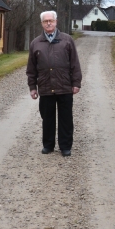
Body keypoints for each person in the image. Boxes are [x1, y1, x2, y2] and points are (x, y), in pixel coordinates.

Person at [27, 10, 82, 156]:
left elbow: (75, 64)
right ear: (42, 24)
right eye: (46, 21)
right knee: (47, 118)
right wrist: (32, 87)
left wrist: (76, 83)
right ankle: (48, 145)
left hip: (65, 87)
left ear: (56, 22)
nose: (49, 23)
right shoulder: (35, 43)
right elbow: (31, 68)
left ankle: (65, 147)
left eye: (51, 20)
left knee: (66, 118)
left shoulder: (67, 40)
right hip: (45, 87)